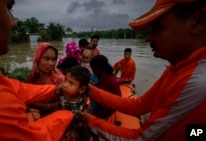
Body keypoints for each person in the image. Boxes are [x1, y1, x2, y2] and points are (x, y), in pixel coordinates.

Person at [77, 0, 206, 140]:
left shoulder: (197, 82)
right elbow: (138, 106)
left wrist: (89, 120)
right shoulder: (176, 68)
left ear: (197, 23)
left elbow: (141, 139)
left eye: (157, 28)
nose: (148, 38)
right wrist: (90, 90)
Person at [0, 1, 73, 141]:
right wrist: (68, 115)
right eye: (8, 7)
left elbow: (10, 86)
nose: (14, 22)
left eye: (53, 59)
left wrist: (53, 91)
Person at [29, 66, 91, 141]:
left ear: (81, 89)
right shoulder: (76, 94)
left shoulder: (71, 106)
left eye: (71, 83)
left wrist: (30, 103)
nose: (65, 85)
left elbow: (50, 107)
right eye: (65, 80)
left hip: (68, 129)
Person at [27, 42, 65, 122]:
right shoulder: (34, 75)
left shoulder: (59, 79)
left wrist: (29, 103)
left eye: (54, 59)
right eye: (46, 59)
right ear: (38, 58)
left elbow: (59, 106)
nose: (51, 63)